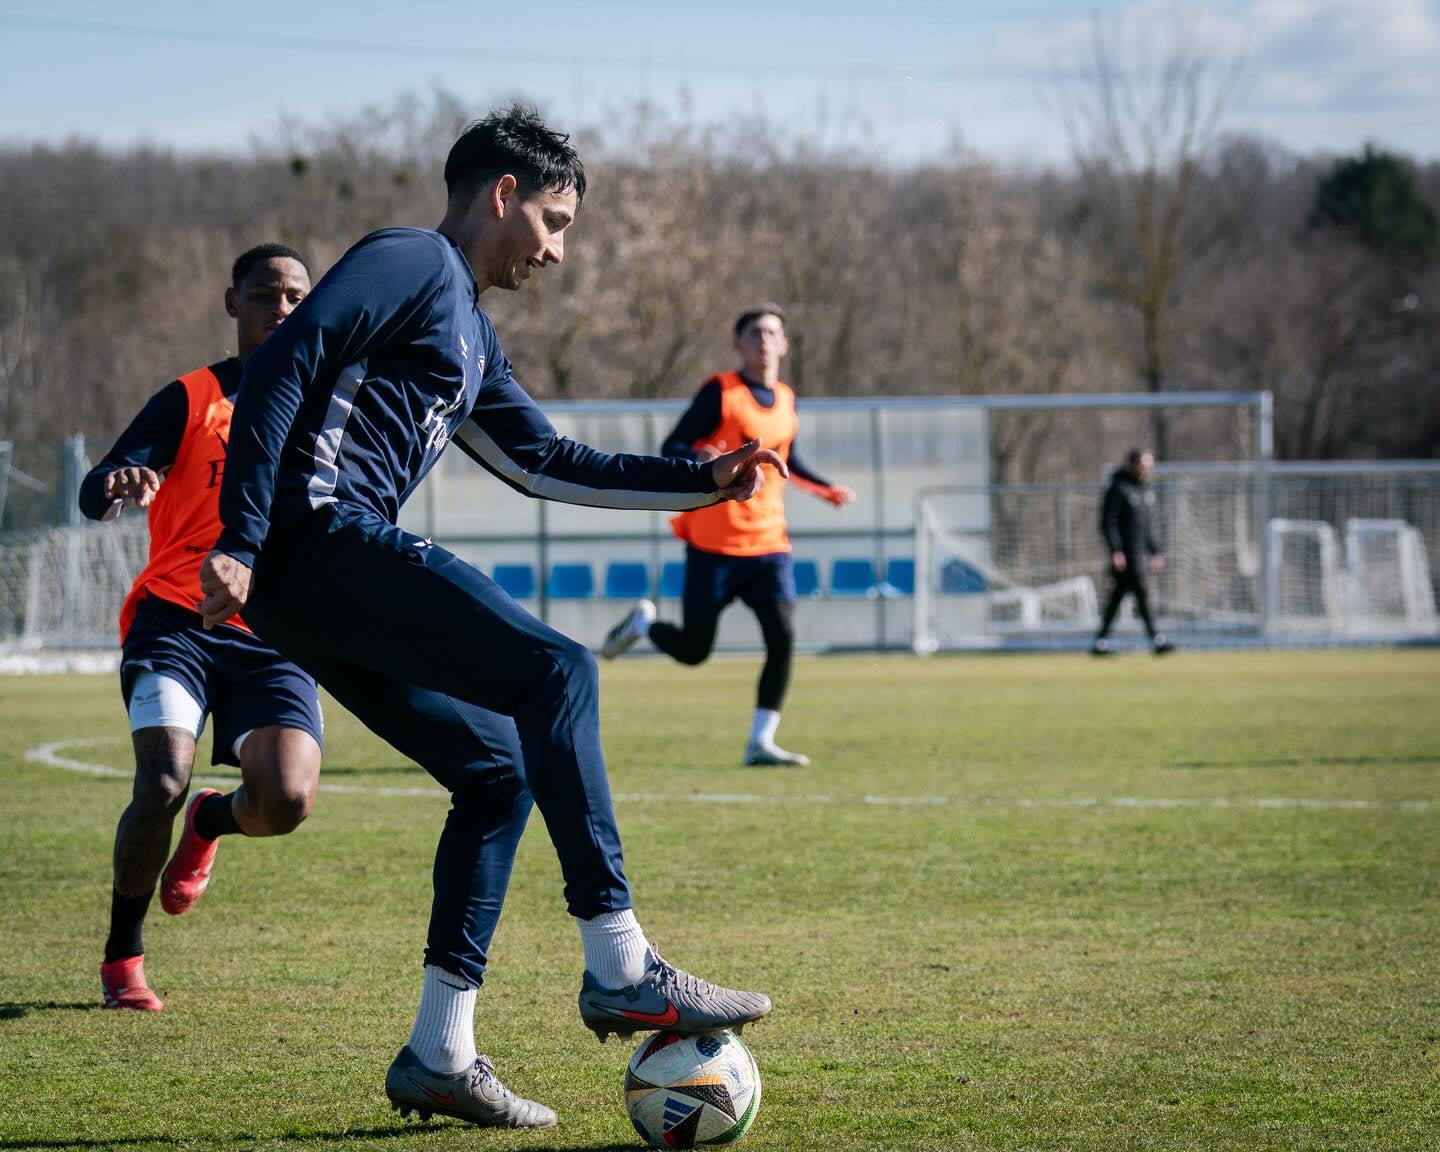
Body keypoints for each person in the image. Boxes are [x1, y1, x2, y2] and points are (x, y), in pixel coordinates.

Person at [196, 106, 776, 1130]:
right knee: (560, 673)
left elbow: (546, 462)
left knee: (497, 771)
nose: (555, 250)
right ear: (501, 193)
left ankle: (439, 1051)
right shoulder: (411, 259)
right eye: (552, 220)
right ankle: (620, 964)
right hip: (316, 537)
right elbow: (286, 362)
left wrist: (702, 481)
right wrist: (241, 535)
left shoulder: (470, 332)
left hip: (313, 586)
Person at [79, 244, 325, 1012]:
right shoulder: (192, 397)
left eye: (294, 298)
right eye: (263, 296)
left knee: (285, 801)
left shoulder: (328, 406)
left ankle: (212, 819)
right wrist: (116, 482)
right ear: (232, 305)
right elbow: (100, 486)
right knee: (158, 780)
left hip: (273, 633)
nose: (279, 310)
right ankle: (124, 954)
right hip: (176, 622)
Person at [601, 304, 854, 767]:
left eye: (772, 332)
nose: (763, 340)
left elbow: (785, 459)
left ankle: (761, 741)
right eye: (754, 332)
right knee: (696, 651)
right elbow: (672, 446)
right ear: (738, 343)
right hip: (714, 543)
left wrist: (823, 488)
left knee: (782, 638)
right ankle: (643, 626)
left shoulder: (787, 398)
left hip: (769, 544)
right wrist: (700, 452)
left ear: (784, 344)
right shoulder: (721, 392)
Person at [1092, 449, 1174, 655]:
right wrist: (1116, 550)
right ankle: (1156, 640)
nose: (1147, 470)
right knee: (1142, 595)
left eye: (1149, 466)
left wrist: (1154, 551)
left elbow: (1146, 528)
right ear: (1132, 464)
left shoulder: (1144, 491)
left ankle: (1100, 641)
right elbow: (1108, 522)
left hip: (1140, 555)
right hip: (1126, 556)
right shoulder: (1118, 489)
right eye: (1143, 466)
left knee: (1117, 598)